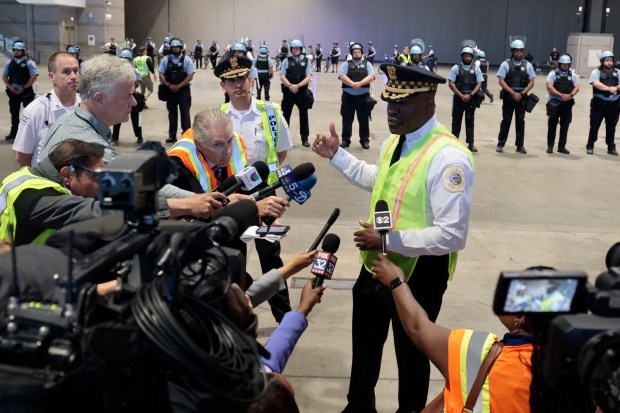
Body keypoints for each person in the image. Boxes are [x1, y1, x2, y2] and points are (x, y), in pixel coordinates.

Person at [312, 63, 474, 413]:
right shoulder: (396, 141)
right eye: (389, 102)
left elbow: (452, 235)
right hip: (376, 267)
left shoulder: (449, 158)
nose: (392, 110)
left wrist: (386, 241)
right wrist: (337, 156)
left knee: (412, 357)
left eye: (402, 103)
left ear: (429, 103)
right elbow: (379, 177)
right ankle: (358, 407)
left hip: (419, 276)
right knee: (365, 350)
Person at [370, 257, 592, 413]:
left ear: (521, 318)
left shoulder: (475, 350)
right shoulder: (582, 367)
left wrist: (396, 280)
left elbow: (417, 326)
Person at [215, 56, 295, 323]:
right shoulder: (216, 118)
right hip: (231, 193)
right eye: (231, 80)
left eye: (242, 78)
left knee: (270, 256)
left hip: (265, 194)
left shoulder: (271, 113)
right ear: (222, 85)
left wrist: (264, 187)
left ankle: (284, 317)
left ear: (250, 79)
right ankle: (239, 310)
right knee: (233, 256)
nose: (238, 84)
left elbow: (280, 153)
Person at [12, 52, 80, 167]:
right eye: (66, 72)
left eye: (76, 70)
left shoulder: (87, 107)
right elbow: (22, 158)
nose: (73, 76)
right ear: (52, 76)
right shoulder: (35, 111)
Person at [496, 39, 536, 154]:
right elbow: (501, 81)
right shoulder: (505, 64)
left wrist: (522, 93)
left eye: (521, 51)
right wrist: (512, 93)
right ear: (512, 51)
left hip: (522, 97)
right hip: (509, 97)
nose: (519, 53)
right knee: (506, 120)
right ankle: (500, 144)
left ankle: (520, 145)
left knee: (520, 121)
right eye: (516, 51)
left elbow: (531, 82)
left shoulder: (528, 65)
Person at [338, 42, 375, 150]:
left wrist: (360, 83)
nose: (356, 54)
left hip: (363, 97)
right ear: (352, 53)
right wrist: (353, 84)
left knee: (363, 119)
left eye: (358, 52)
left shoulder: (367, 64)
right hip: (348, 96)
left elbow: (372, 76)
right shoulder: (346, 64)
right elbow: (342, 76)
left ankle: (364, 141)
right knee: (347, 119)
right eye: (354, 52)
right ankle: (345, 140)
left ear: (362, 53)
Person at [159, 37, 195, 144]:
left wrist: (179, 86)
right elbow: (160, 73)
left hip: (183, 91)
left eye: (177, 47)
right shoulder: (166, 59)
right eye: (173, 47)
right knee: (172, 114)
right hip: (170, 91)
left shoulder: (187, 59)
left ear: (181, 48)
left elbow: (190, 75)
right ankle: (172, 136)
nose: (175, 49)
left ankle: (186, 135)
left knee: (185, 113)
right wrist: (168, 84)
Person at [448, 46, 484, 152]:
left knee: (470, 121)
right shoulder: (456, 68)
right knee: (456, 121)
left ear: (472, 57)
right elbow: (451, 83)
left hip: (471, 99)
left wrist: (471, 95)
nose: (467, 58)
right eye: (465, 56)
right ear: (462, 56)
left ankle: (471, 144)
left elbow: (479, 83)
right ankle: (454, 142)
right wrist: (461, 95)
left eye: (469, 56)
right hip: (459, 99)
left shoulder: (476, 68)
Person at [2, 41, 38, 141]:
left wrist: (24, 87)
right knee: (14, 112)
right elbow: (4, 76)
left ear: (23, 51)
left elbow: (33, 76)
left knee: (29, 113)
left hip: (26, 92)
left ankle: (30, 133)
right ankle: (14, 133)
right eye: (15, 50)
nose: (16, 52)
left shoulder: (29, 63)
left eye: (19, 50)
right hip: (13, 91)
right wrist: (10, 87)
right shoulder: (9, 63)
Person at [280, 39, 313, 147]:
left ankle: (304, 138)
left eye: (297, 48)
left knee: (304, 115)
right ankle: (285, 139)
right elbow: (282, 75)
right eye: (293, 48)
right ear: (291, 49)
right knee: (285, 116)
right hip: (288, 92)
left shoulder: (307, 61)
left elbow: (308, 77)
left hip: (302, 92)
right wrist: (290, 86)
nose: (295, 50)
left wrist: (298, 86)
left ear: (301, 49)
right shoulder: (286, 61)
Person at [586, 51, 620, 156]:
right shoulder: (596, 72)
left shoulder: (617, 72)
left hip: (614, 104)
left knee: (611, 127)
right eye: (607, 60)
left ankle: (611, 147)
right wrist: (609, 88)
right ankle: (590, 146)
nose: (609, 62)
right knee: (595, 125)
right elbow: (596, 83)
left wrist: (616, 88)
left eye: (611, 60)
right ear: (602, 61)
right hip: (599, 104)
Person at [545, 54, 579, 154]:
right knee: (552, 125)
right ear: (559, 64)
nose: (564, 66)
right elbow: (549, 87)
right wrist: (560, 95)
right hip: (554, 102)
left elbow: (576, 87)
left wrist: (570, 95)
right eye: (563, 64)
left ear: (569, 64)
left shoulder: (573, 75)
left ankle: (562, 146)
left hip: (567, 103)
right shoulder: (553, 73)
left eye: (567, 64)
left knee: (565, 125)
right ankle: (550, 146)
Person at [112, 49, 144, 145]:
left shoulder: (135, 70)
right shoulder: (116, 71)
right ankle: (115, 136)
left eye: (127, 59)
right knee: (117, 117)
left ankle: (139, 136)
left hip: (131, 96)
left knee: (136, 117)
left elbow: (137, 83)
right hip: (120, 96)